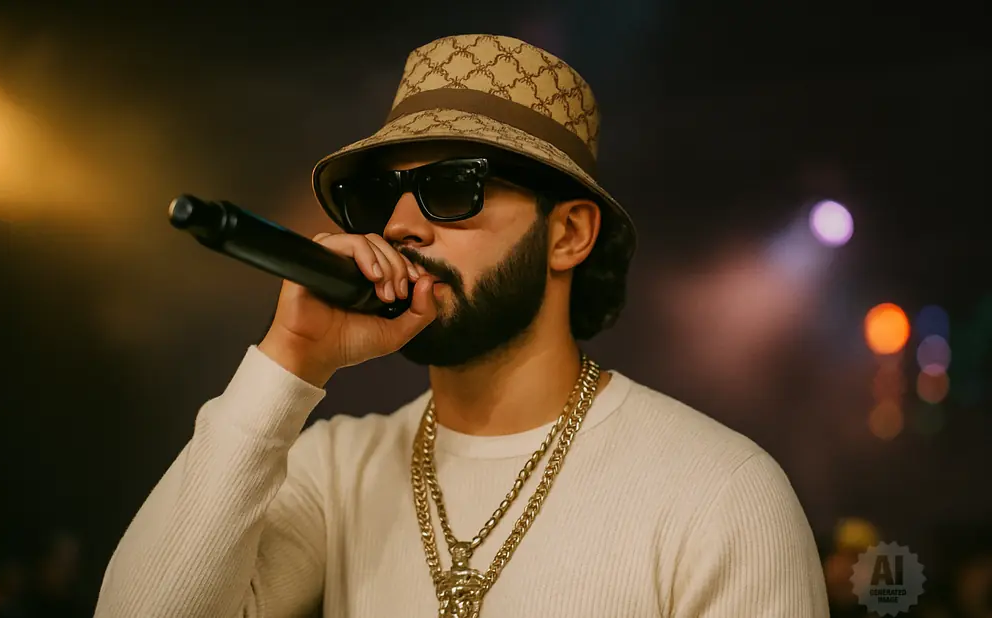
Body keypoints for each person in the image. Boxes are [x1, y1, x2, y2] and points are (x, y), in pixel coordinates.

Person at [94, 34, 829, 617]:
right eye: (381, 196)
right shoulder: (334, 469)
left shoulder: (718, 490)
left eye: (452, 187)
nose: (402, 226)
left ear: (568, 234)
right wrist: (289, 360)